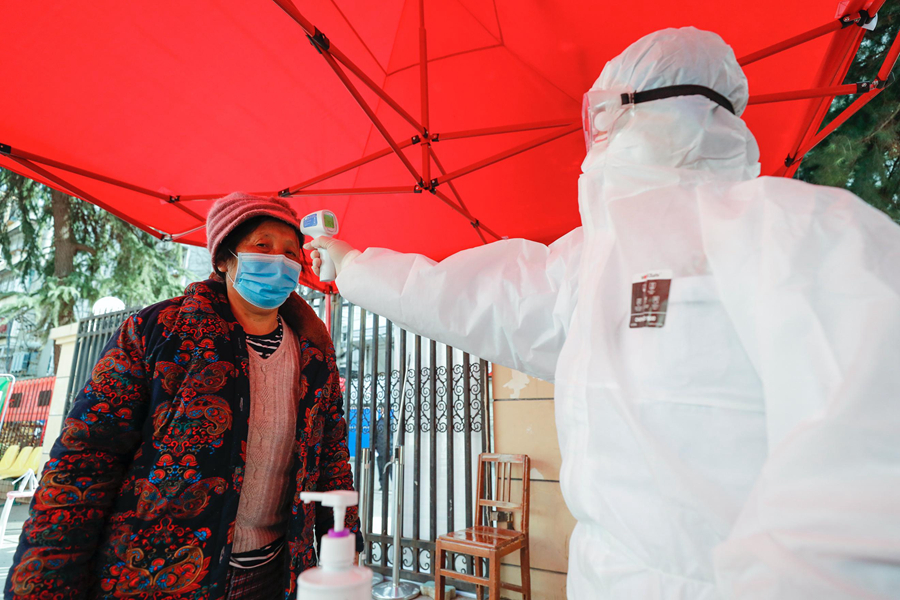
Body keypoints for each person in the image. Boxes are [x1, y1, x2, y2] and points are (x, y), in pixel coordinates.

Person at [307, 27, 900, 599]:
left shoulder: (796, 227)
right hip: (601, 578)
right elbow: (465, 298)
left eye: (601, 113)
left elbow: (869, 469)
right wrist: (352, 265)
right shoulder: (587, 263)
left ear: (646, 109)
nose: (593, 137)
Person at [7, 193, 362, 599]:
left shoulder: (314, 352)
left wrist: (347, 543)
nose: (279, 261)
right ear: (224, 259)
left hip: (277, 575)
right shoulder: (157, 332)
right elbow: (85, 459)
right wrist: (46, 583)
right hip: (157, 577)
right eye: (262, 246)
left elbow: (331, 457)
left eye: (290, 253)